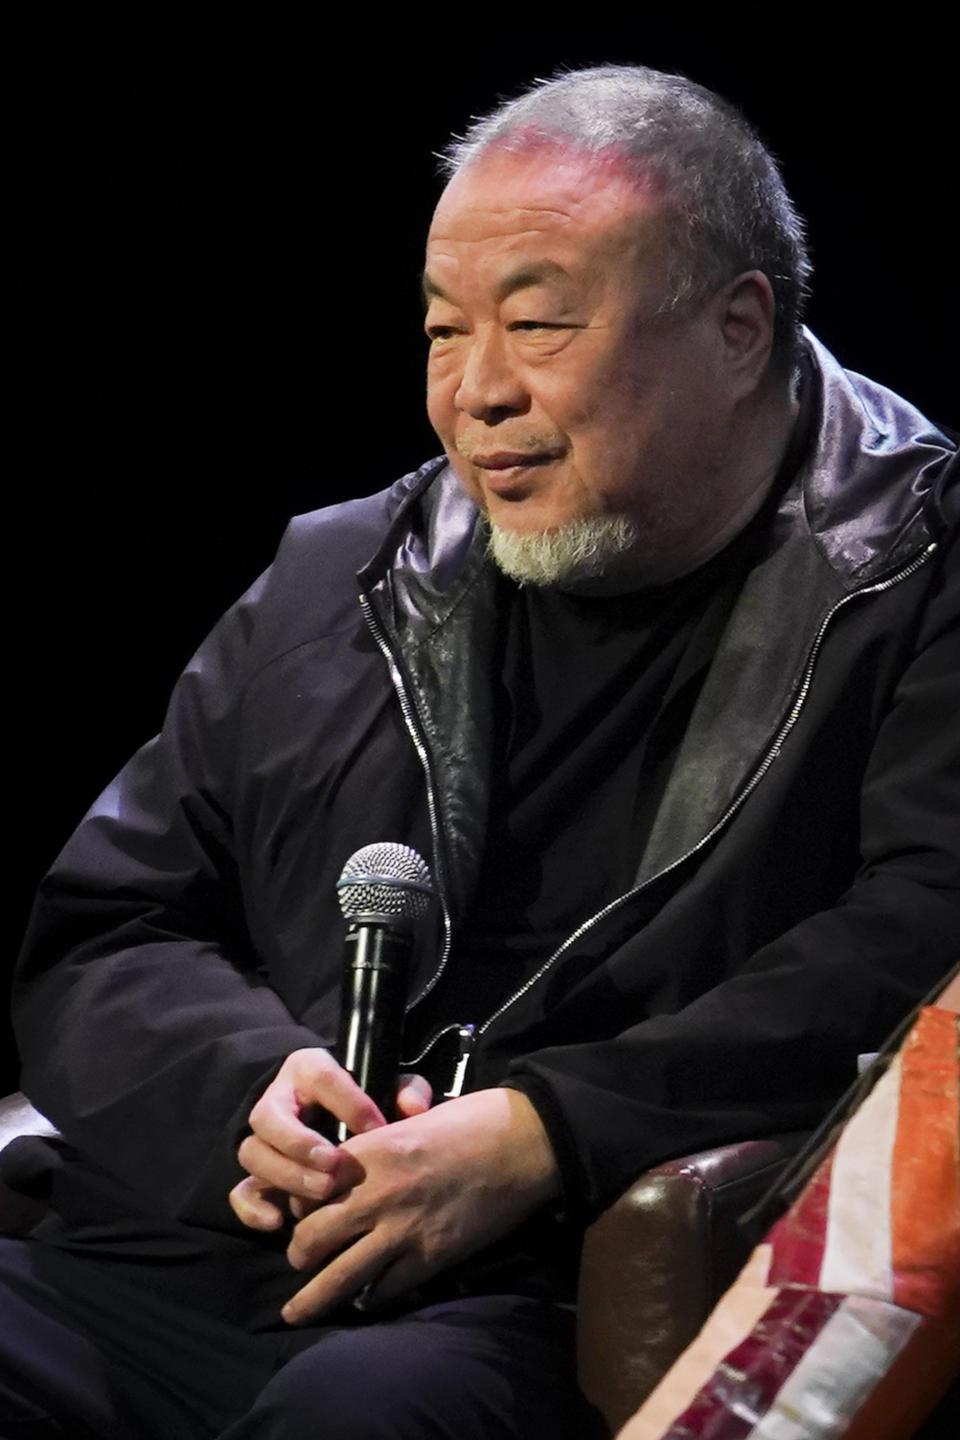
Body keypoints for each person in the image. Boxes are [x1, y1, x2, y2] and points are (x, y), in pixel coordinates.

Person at [3, 63, 958, 1439]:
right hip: (199, 1254)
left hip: (540, 1291)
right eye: (445, 333)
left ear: (739, 326)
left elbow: (921, 950)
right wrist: (240, 1096)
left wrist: (550, 1131)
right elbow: (107, 925)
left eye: (541, 322)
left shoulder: (916, 576)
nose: (478, 392)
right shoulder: (345, 574)